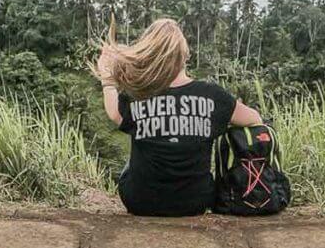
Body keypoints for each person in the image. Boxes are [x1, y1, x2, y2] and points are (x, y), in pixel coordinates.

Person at [95, 17, 263, 216]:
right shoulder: (213, 96)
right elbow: (255, 119)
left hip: (140, 201)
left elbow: (114, 112)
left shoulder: (138, 96)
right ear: (185, 55)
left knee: (131, 162)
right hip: (196, 202)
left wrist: (107, 79)